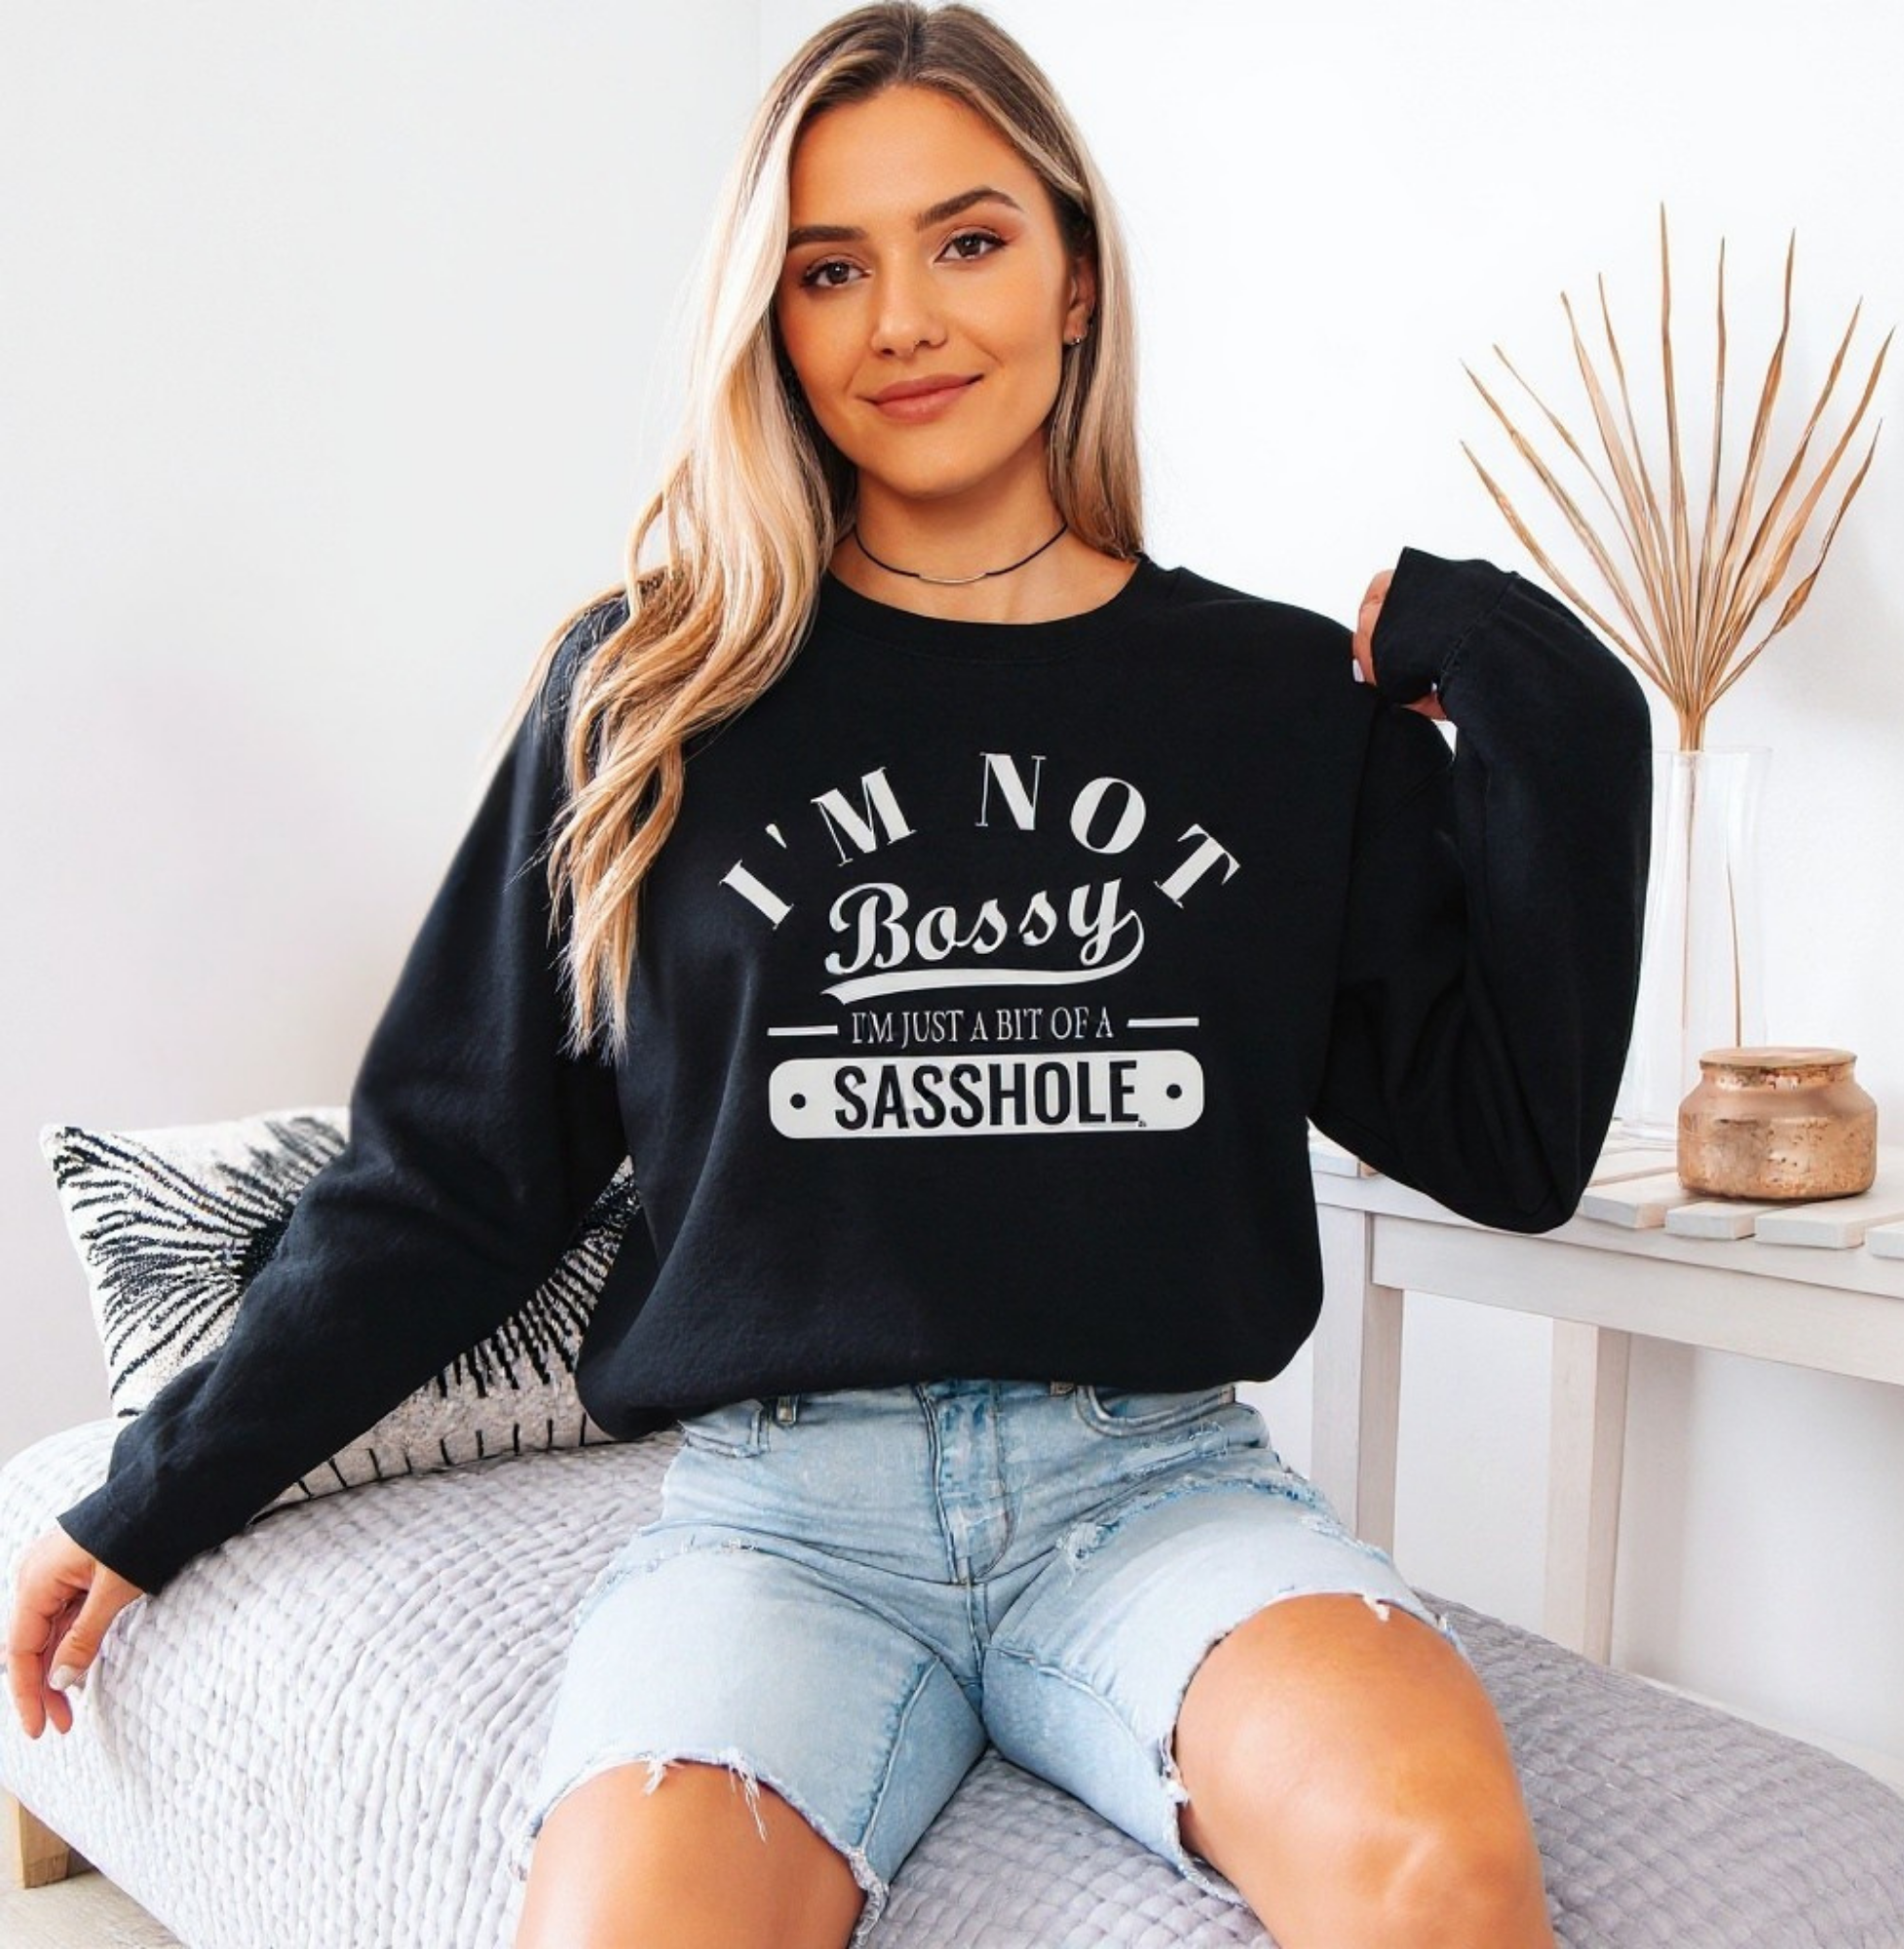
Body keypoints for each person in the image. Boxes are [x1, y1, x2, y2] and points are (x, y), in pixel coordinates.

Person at [9, 5, 1651, 1945]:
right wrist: (156, 1489)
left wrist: (1535, 683)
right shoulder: (650, 693)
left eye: (965, 240)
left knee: (1437, 1882)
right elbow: (452, 1177)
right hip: (776, 1525)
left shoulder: (1275, 704)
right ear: (771, 323)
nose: (902, 320)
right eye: (827, 267)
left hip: (1158, 1490)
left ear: (1073, 275)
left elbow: (1510, 1134)